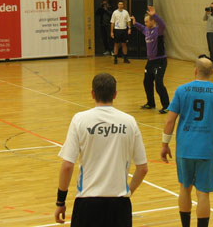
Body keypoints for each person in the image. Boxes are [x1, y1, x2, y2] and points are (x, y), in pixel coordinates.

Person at [54, 72, 148, 226]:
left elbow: (67, 166)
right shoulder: (129, 122)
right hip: (120, 205)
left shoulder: (79, 120)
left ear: (92, 94)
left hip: (87, 203)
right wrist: (127, 192)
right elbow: (142, 168)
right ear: (115, 94)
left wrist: (60, 201)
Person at [160, 56, 213, 227]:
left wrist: (165, 144)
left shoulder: (181, 90)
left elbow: (170, 121)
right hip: (207, 150)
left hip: (185, 149)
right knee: (203, 193)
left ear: (195, 71)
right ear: (212, 72)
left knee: (184, 188)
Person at [131, 6, 170, 114]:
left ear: (153, 21)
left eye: (147, 21)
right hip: (150, 61)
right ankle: (151, 103)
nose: (145, 23)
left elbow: (163, 25)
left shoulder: (158, 30)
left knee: (159, 84)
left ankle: (167, 106)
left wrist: (154, 15)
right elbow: (142, 28)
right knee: (147, 82)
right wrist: (135, 23)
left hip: (160, 61)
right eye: (145, 22)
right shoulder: (146, 30)